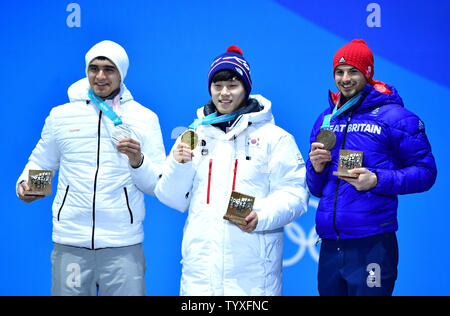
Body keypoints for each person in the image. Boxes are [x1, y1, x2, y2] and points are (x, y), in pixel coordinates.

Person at [155, 46, 309, 296]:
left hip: (253, 279)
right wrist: (178, 165)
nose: (224, 93)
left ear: (246, 88)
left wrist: (261, 214)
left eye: (232, 85)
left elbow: (295, 194)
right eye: (217, 86)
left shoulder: (274, 138)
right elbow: (170, 197)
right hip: (200, 277)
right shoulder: (194, 135)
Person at [16, 40, 166, 296]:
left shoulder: (144, 118)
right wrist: (25, 187)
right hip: (70, 242)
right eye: (93, 68)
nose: (100, 76)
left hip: (122, 244)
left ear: (121, 73)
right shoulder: (61, 116)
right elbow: (42, 163)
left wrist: (137, 160)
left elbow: (156, 186)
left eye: (109, 69)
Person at [307, 39, 437, 296]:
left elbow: (426, 172)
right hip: (331, 246)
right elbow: (316, 189)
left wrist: (376, 180)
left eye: (353, 71)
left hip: (372, 244)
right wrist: (317, 169)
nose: (345, 79)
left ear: (367, 73)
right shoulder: (327, 119)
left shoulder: (396, 117)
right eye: (339, 72)